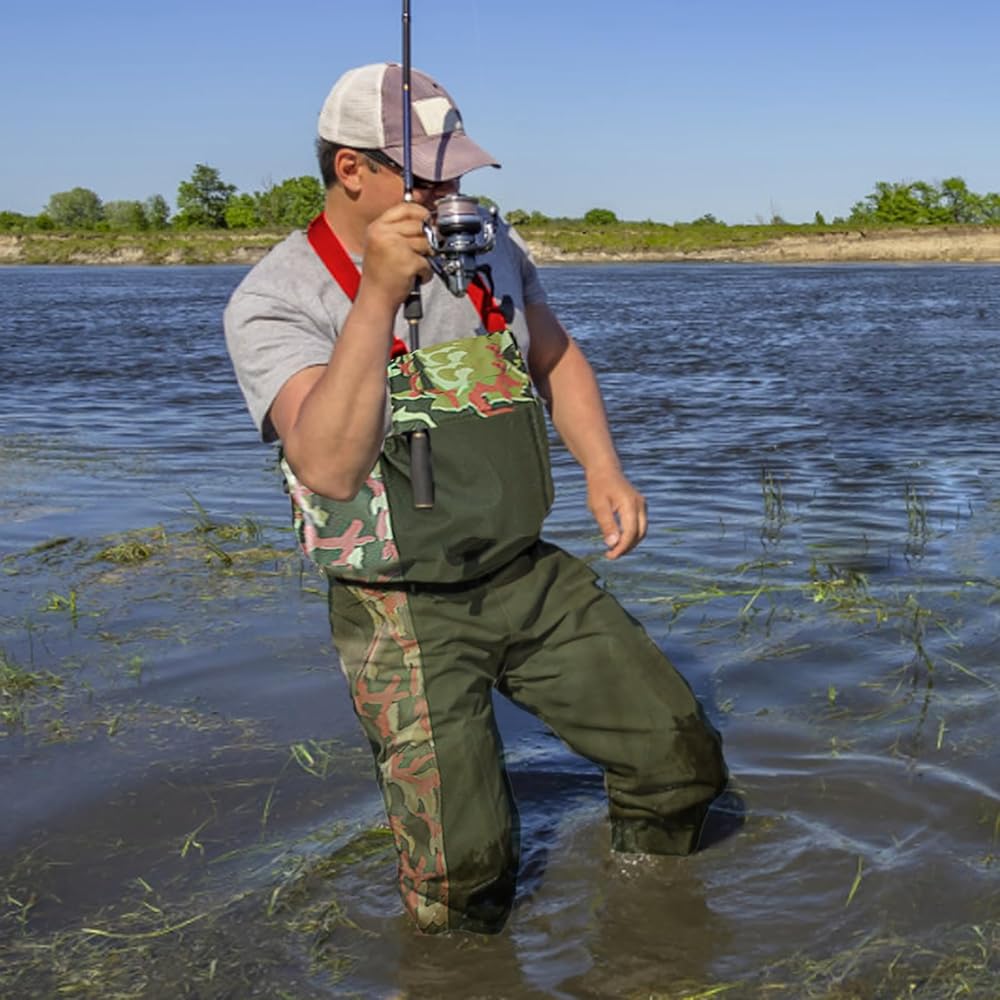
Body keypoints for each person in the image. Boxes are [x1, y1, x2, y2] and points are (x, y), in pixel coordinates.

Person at [224, 61, 727, 935]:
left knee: (677, 761)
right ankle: (458, 967)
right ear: (352, 170)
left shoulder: (489, 239)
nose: (450, 194)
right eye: (427, 177)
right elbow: (329, 467)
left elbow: (554, 356)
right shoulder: (273, 299)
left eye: (455, 173)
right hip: (399, 601)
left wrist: (603, 469)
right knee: (466, 869)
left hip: (524, 569)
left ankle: (652, 920)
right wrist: (378, 294)